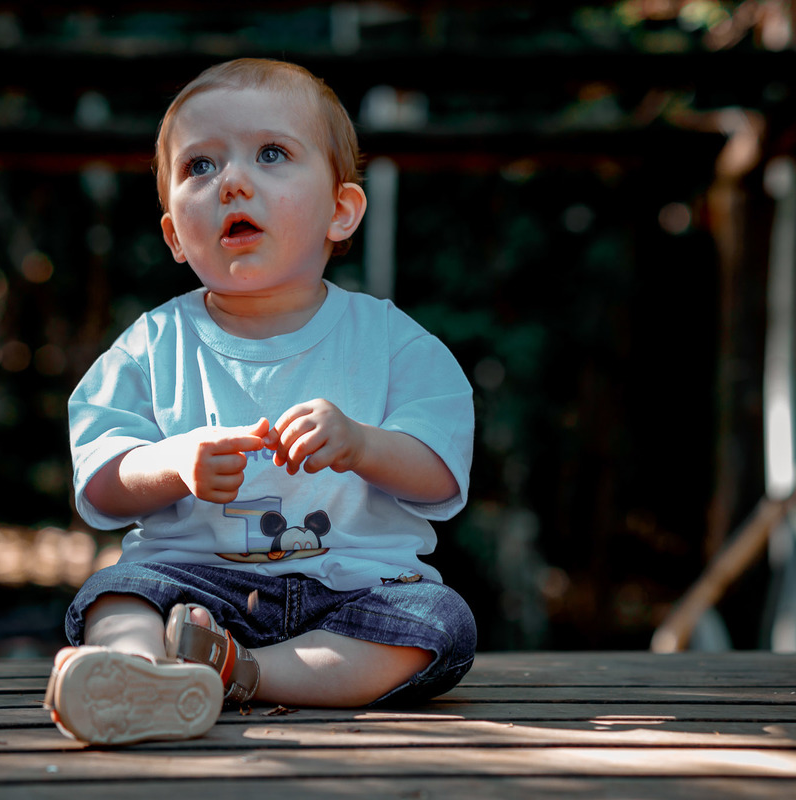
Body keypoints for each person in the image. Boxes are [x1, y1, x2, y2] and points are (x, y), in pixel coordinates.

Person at [45, 58, 476, 746]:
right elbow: (99, 481)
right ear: (174, 237)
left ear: (341, 211)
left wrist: (364, 444)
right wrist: (170, 464)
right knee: (117, 594)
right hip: (191, 588)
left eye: (271, 154)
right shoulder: (151, 344)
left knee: (438, 624)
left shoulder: (395, 342)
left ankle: (235, 672)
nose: (233, 181)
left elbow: (441, 472)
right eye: (200, 167)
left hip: (356, 593)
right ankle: (132, 671)